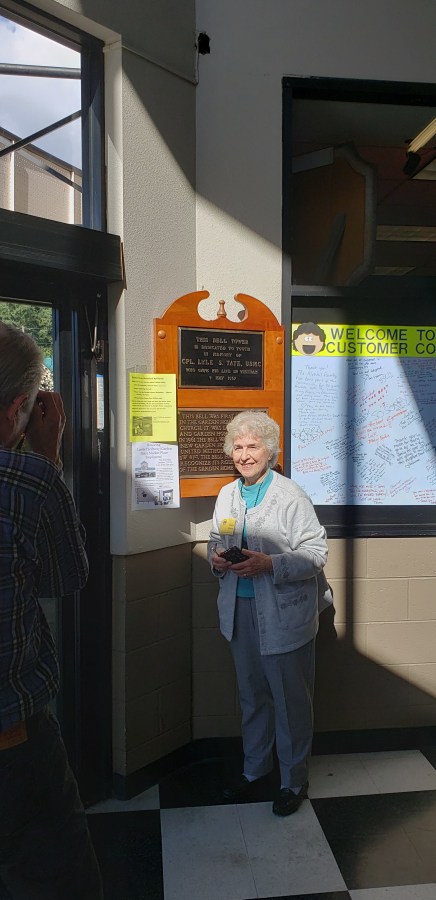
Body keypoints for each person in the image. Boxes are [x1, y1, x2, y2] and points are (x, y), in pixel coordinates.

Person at [0, 321, 103, 898]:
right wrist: (49, 454)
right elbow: (68, 577)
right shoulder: (30, 481)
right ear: (21, 406)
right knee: (56, 877)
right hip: (13, 745)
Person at [208, 410, 329, 817]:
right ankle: (255, 769)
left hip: (283, 616)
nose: (244, 455)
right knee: (252, 696)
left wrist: (270, 565)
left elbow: (316, 553)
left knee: (290, 699)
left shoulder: (291, 495)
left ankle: (293, 780)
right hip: (240, 613)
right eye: (238, 447)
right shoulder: (227, 494)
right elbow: (215, 539)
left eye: (253, 446)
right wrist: (217, 559)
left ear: (270, 451)